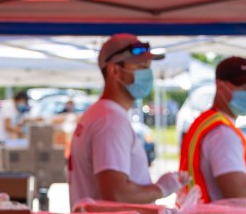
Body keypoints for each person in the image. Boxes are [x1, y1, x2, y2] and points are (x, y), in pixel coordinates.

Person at [68, 33, 186, 204]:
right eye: (141, 67)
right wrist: (160, 189)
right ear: (114, 70)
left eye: (148, 67)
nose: (148, 74)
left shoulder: (101, 114)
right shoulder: (110, 121)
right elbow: (116, 194)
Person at [179, 56, 246, 202]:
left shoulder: (207, 121)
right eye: (243, 86)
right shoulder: (222, 134)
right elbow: (241, 197)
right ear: (220, 86)